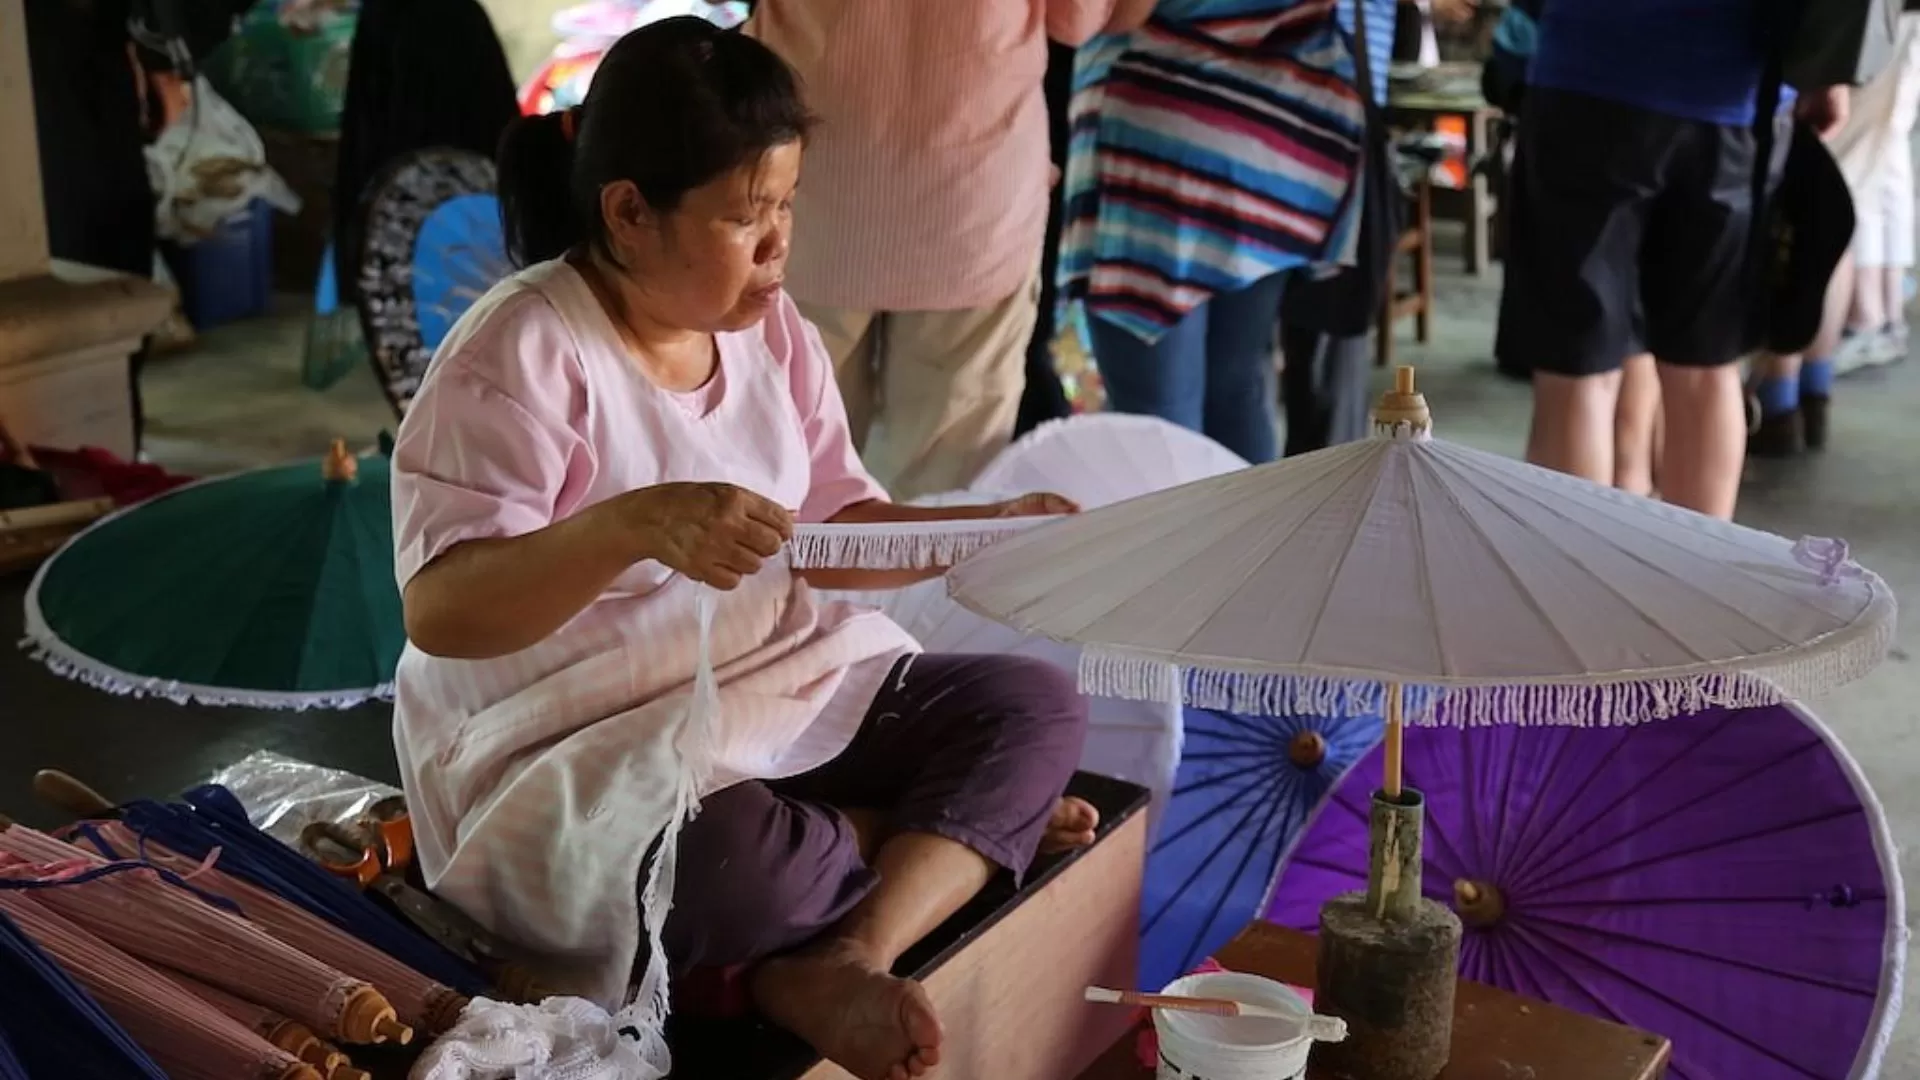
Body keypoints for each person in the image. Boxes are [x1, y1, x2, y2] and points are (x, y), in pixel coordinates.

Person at [388, 21, 1099, 1080]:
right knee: (726, 870)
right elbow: (440, 612)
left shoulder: (772, 333)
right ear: (629, 212)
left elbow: (834, 533)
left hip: (768, 688)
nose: (778, 246)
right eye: (742, 215)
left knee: (1035, 708)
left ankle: (851, 951)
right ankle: (902, 843)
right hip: (571, 747)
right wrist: (630, 525)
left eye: (786, 208)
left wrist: (989, 533)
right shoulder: (524, 348)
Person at [746, 0, 1153, 500]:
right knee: (943, 489)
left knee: (785, 462)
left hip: (804, 181)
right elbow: (1080, 20)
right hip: (971, 200)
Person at [1495, 0, 1849, 519]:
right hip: (1738, 95)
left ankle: (1569, 590)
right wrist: (1829, 69)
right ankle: (1699, 588)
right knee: (1706, 369)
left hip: (1590, 76)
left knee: (1578, 373)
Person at [1062, 0, 1372, 465]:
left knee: (1158, 408)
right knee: (1237, 383)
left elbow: (1109, 13)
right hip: (1284, 138)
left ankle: (1184, 538)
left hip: (1167, 134)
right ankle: (1255, 539)